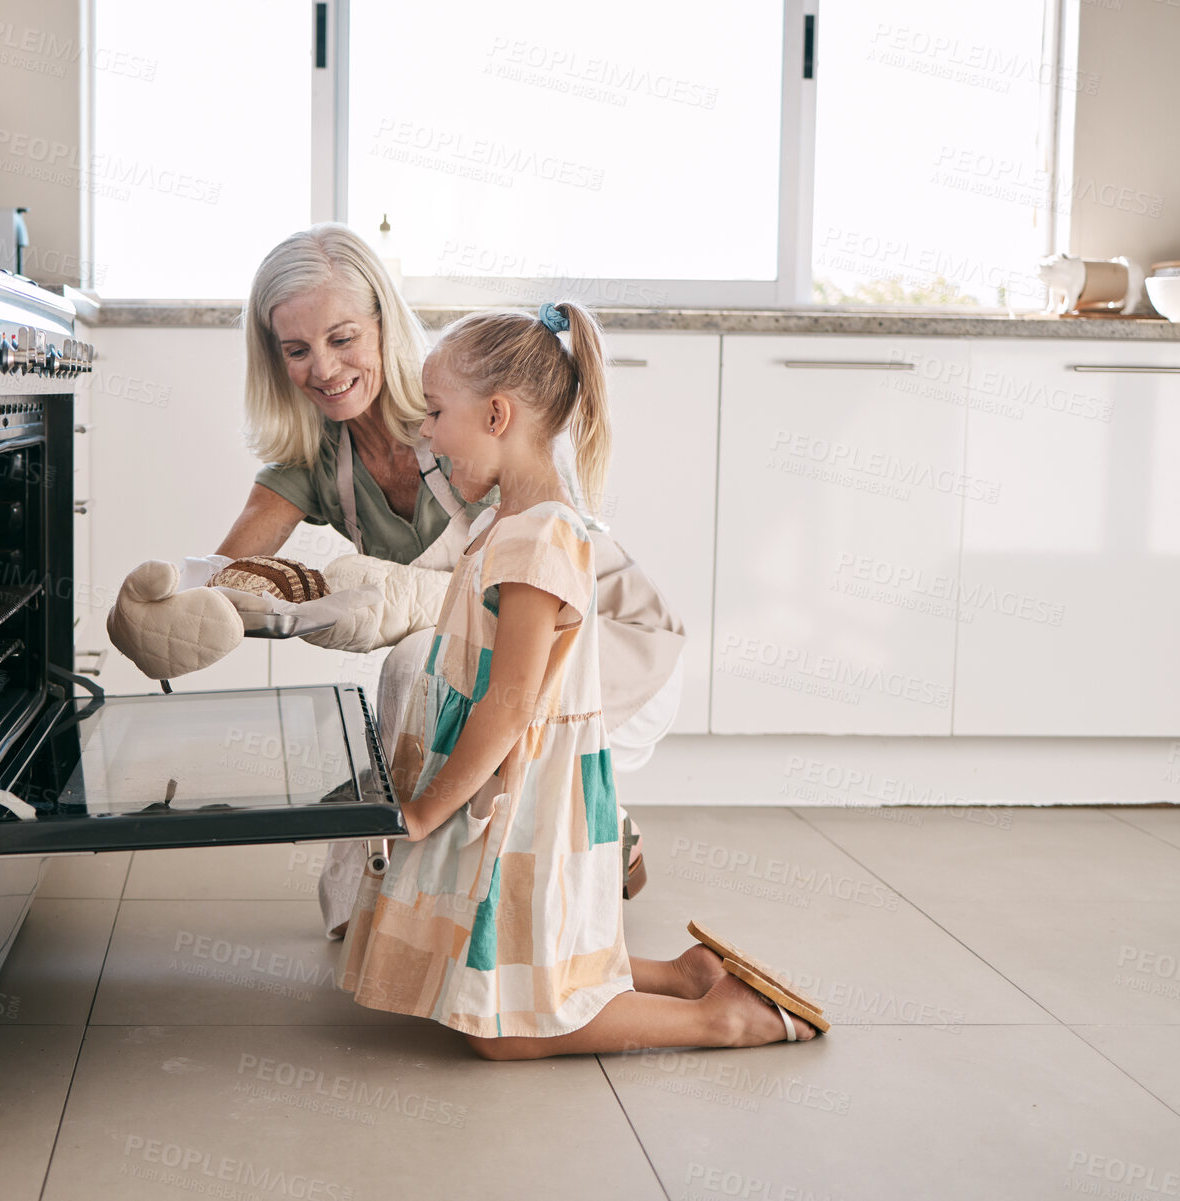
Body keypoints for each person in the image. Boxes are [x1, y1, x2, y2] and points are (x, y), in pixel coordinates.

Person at [104, 223, 687, 935]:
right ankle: (417, 885)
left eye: (343, 337)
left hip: (611, 646)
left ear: (384, 320)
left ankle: (570, 829)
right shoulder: (319, 457)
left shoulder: (463, 404)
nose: (323, 368)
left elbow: (536, 580)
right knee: (426, 679)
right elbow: (232, 574)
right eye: (297, 349)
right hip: (498, 664)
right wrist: (167, 604)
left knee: (418, 671)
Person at [335, 302, 820, 1056]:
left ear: (497, 414)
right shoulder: (510, 521)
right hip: (514, 785)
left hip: (529, 794)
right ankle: (679, 974)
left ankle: (717, 1018)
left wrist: (428, 809)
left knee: (505, 1033)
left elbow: (515, 700)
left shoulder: (538, 538)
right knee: (514, 962)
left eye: (435, 413)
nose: (424, 433)